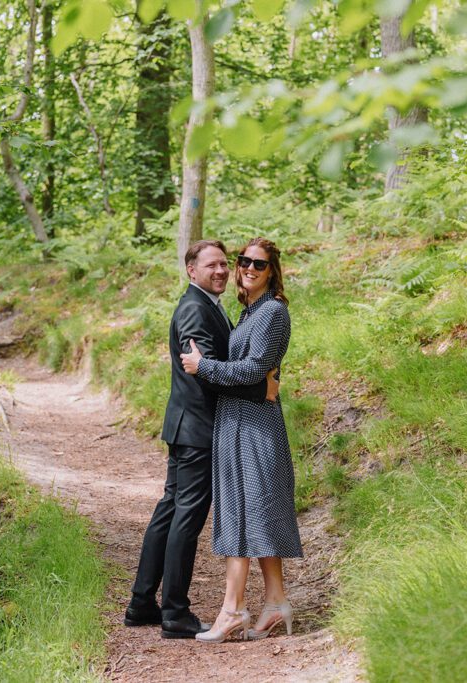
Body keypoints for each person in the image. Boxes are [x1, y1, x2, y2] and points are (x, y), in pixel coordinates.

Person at [125, 240, 278, 640]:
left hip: (186, 425)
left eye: (225, 264)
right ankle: (174, 611)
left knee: (169, 512)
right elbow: (204, 370)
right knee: (185, 519)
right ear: (191, 270)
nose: (222, 271)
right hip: (197, 428)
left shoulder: (207, 303)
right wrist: (260, 391)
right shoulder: (195, 308)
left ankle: (142, 603)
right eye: (212, 265)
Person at [180, 237, 303, 643]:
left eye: (260, 264)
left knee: (245, 512)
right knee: (256, 511)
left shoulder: (271, 313)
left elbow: (252, 370)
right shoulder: (250, 311)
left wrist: (203, 366)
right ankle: (275, 603)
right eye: (244, 261)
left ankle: (233, 610)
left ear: (273, 271)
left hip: (255, 427)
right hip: (237, 422)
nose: (249, 268)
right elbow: (257, 374)